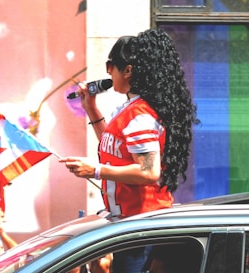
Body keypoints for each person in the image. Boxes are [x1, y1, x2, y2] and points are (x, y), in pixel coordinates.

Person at [60, 28, 199, 273]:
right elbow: (112, 147)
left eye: (110, 65)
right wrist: (91, 108)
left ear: (128, 70)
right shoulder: (130, 109)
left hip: (141, 227)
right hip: (132, 225)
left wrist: (96, 170)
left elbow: (148, 172)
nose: (107, 71)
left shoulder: (140, 115)